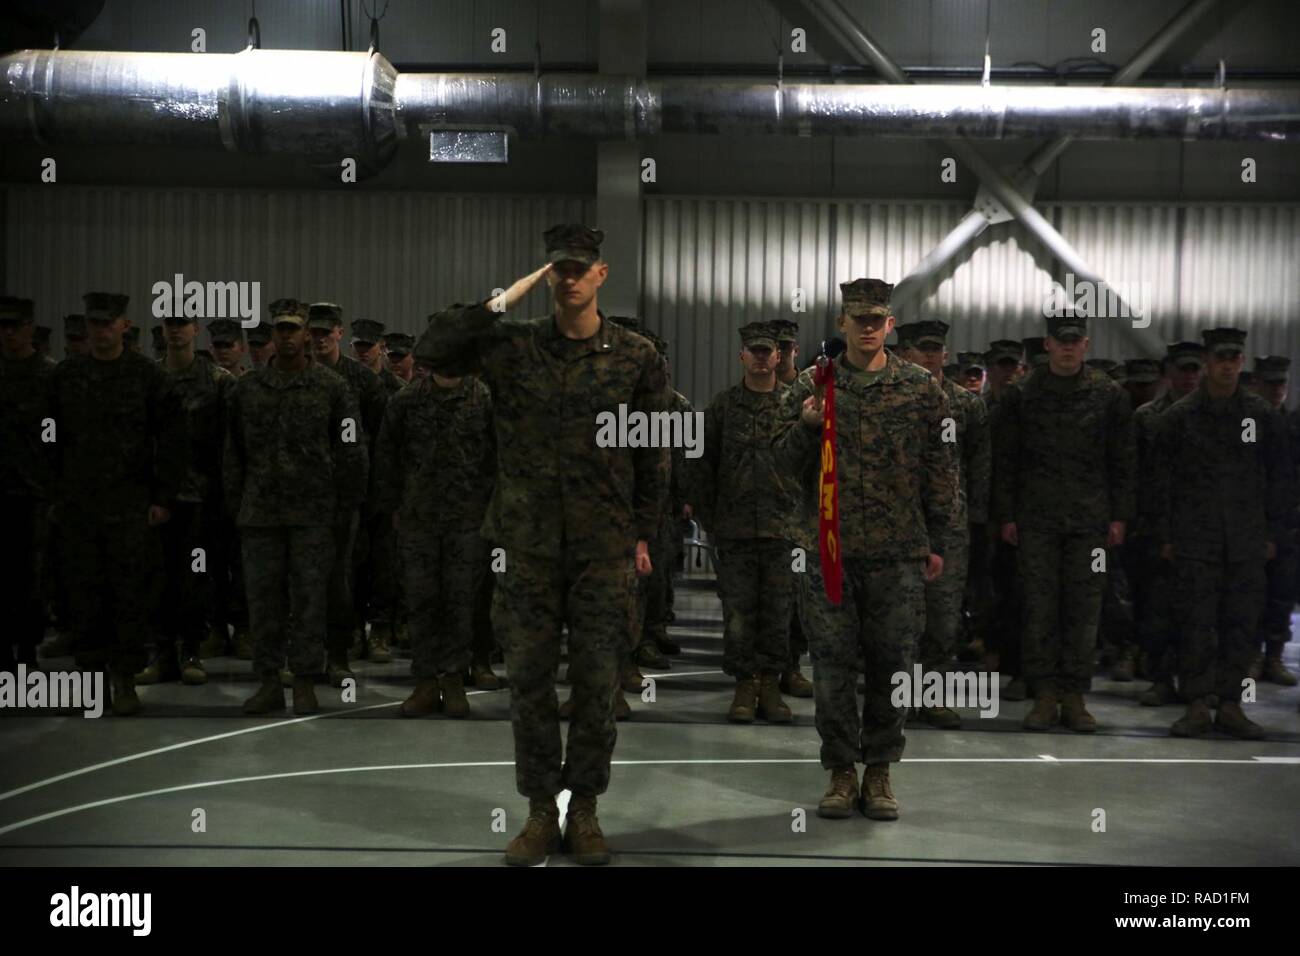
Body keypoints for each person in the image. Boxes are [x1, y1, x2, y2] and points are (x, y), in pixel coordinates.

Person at [413, 223, 669, 867]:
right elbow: (435, 348)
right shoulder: (513, 348)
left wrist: (643, 532)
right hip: (526, 545)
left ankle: (582, 809)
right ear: (547, 274)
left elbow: (654, 452)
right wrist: (502, 300)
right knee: (527, 683)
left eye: (581, 267)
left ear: (602, 273)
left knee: (594, 683)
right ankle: (536, 810)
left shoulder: (637, 356)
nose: (570, 277)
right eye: (559, 268)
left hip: (603, 547)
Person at [774, 278, 955, 821]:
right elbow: (780, 466)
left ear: (890, 324)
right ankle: (839, 771)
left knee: (891, 665)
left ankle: (879, 770)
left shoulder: (923, 388)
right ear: (842, 324)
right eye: (859, 319)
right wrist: (807, 427)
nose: (868, 327)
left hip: (898, 552)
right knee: (830, 667)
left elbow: (942, 470)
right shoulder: (813, 383)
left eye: (877, 319)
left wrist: (939, 541)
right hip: (829, 552)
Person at [992, 314, 1136, 733]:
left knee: (1084, 610)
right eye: (1061, 341)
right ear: (1048, 345)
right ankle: (1045, 695)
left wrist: (1119, 516)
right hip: (1036, 521)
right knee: (1039, 609)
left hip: (1090, 523)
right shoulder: (1022, 395)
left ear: (1086, 345)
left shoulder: (1109, 396)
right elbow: (1006, 461)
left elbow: (1123, 460)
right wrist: (1007, 516)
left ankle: (1074, 695)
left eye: (1075, 341)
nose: (1068, 347)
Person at [224, 299, 367, 715]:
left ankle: (304, 680)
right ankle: (269, 681)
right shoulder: (247, 389)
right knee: (264, 601)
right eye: (280, 329)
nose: (287, 336)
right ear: (272, 335)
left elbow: (350, 448)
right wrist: (236, 505)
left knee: (309, 600)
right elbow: (233, 452)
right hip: (261, 514)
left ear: (307, 335)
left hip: (314, 514)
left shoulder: (333, 388)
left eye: (294, 329)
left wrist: (345, 507)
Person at [47, 292, 187, 715]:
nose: (101, 331)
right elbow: (48, 433)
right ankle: (92, 682)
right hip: (80, 506)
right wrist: (54, 489)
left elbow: (172, 440)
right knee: (84, 595)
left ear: (124, 325)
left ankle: (124, 680)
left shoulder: (147, 376)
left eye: (108, 323)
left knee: (129, 594)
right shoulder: (67, 376)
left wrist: (163, 497)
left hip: (131, 505)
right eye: (94, 323)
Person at [1151, 329, 1293, 739]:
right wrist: (1165, 535)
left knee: (1241, 624)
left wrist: (1273, 534)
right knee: (1195, 623)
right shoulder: (1179, 417)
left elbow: (1280, 479)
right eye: (1221, 358)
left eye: (1235, 358)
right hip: (1195, 539)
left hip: (1247, 539)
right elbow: (1160, 483)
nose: (1228, 365)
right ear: (1209, 363)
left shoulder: (1259, 415)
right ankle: (1196, 703)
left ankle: (1231, 704)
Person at [692, 320, 799, 723]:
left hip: (781, 528)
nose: (759, 358)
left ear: (778, 356)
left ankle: (770, 685)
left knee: (778, 611)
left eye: (766, 351)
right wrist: (710, 518)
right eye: (752, 351)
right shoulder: (722, 407)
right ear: (742, 356)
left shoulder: (794, 405)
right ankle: (743, 685)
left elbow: (809, 464)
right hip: (734, 530)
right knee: (738, 614)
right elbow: (702, 465)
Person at [375, 358, 495, 717]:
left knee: (461, 602)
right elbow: (386, 457)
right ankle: (426, 681)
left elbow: (500, 457)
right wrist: (391, 508)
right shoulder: (406, 400)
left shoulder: (484, 399)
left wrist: (495, 511)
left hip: (468, 520)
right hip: (417, 520)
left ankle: (454, 678)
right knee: (421, 601)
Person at [897, 320, 990, 729]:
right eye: (922, 349)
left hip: (949, 525)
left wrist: (975, 517)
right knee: (899, 615)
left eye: (936, 349)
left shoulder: (966, 405)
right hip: (898, 521)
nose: (931, 356)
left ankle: (931, 696)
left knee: (943, 616)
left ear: (946, 355)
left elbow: (980, 466)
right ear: (905, 353)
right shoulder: (894, 398)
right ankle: (899, 697)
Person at [136, 309, 235, 686]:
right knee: (157, 579)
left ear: (196, 329)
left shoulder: (218, 381)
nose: (176, 331)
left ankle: (191, 649)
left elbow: (229, 445)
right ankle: (161, 653)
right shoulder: (149, 378)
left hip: (200, 502)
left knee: (196, 576)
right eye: (169, 325)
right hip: (158, 499)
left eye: (183, 325)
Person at [307, 302, 387, 685]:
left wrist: (365, 499)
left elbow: (377, 444)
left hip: (344, 499)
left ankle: (338, 654)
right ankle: (304, 655)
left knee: (341, 580)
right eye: (315, 333)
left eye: (327, 332)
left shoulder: (363, 382)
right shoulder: (295, 376)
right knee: (299, 582)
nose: (320, 339)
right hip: (297, 499)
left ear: (339, 333)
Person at [0, 296, 56, 670]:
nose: (8, 333)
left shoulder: (50, 375)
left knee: (32, 578)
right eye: (3, 326)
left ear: (29, 328)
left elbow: (58, 433)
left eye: (15, 325)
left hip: (35, 491)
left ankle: (28, 650)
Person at [1248, 355, 1298, 686]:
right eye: (1270, 383)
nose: (1277, 389)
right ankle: (1250, 655)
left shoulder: (1293, 424)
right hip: (1249, 519)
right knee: (1249, 593)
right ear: (1257, 384)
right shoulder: (1245, 422)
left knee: (1282, 590)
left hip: (1288, 521)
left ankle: (1274, 655)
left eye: (1282, 383)